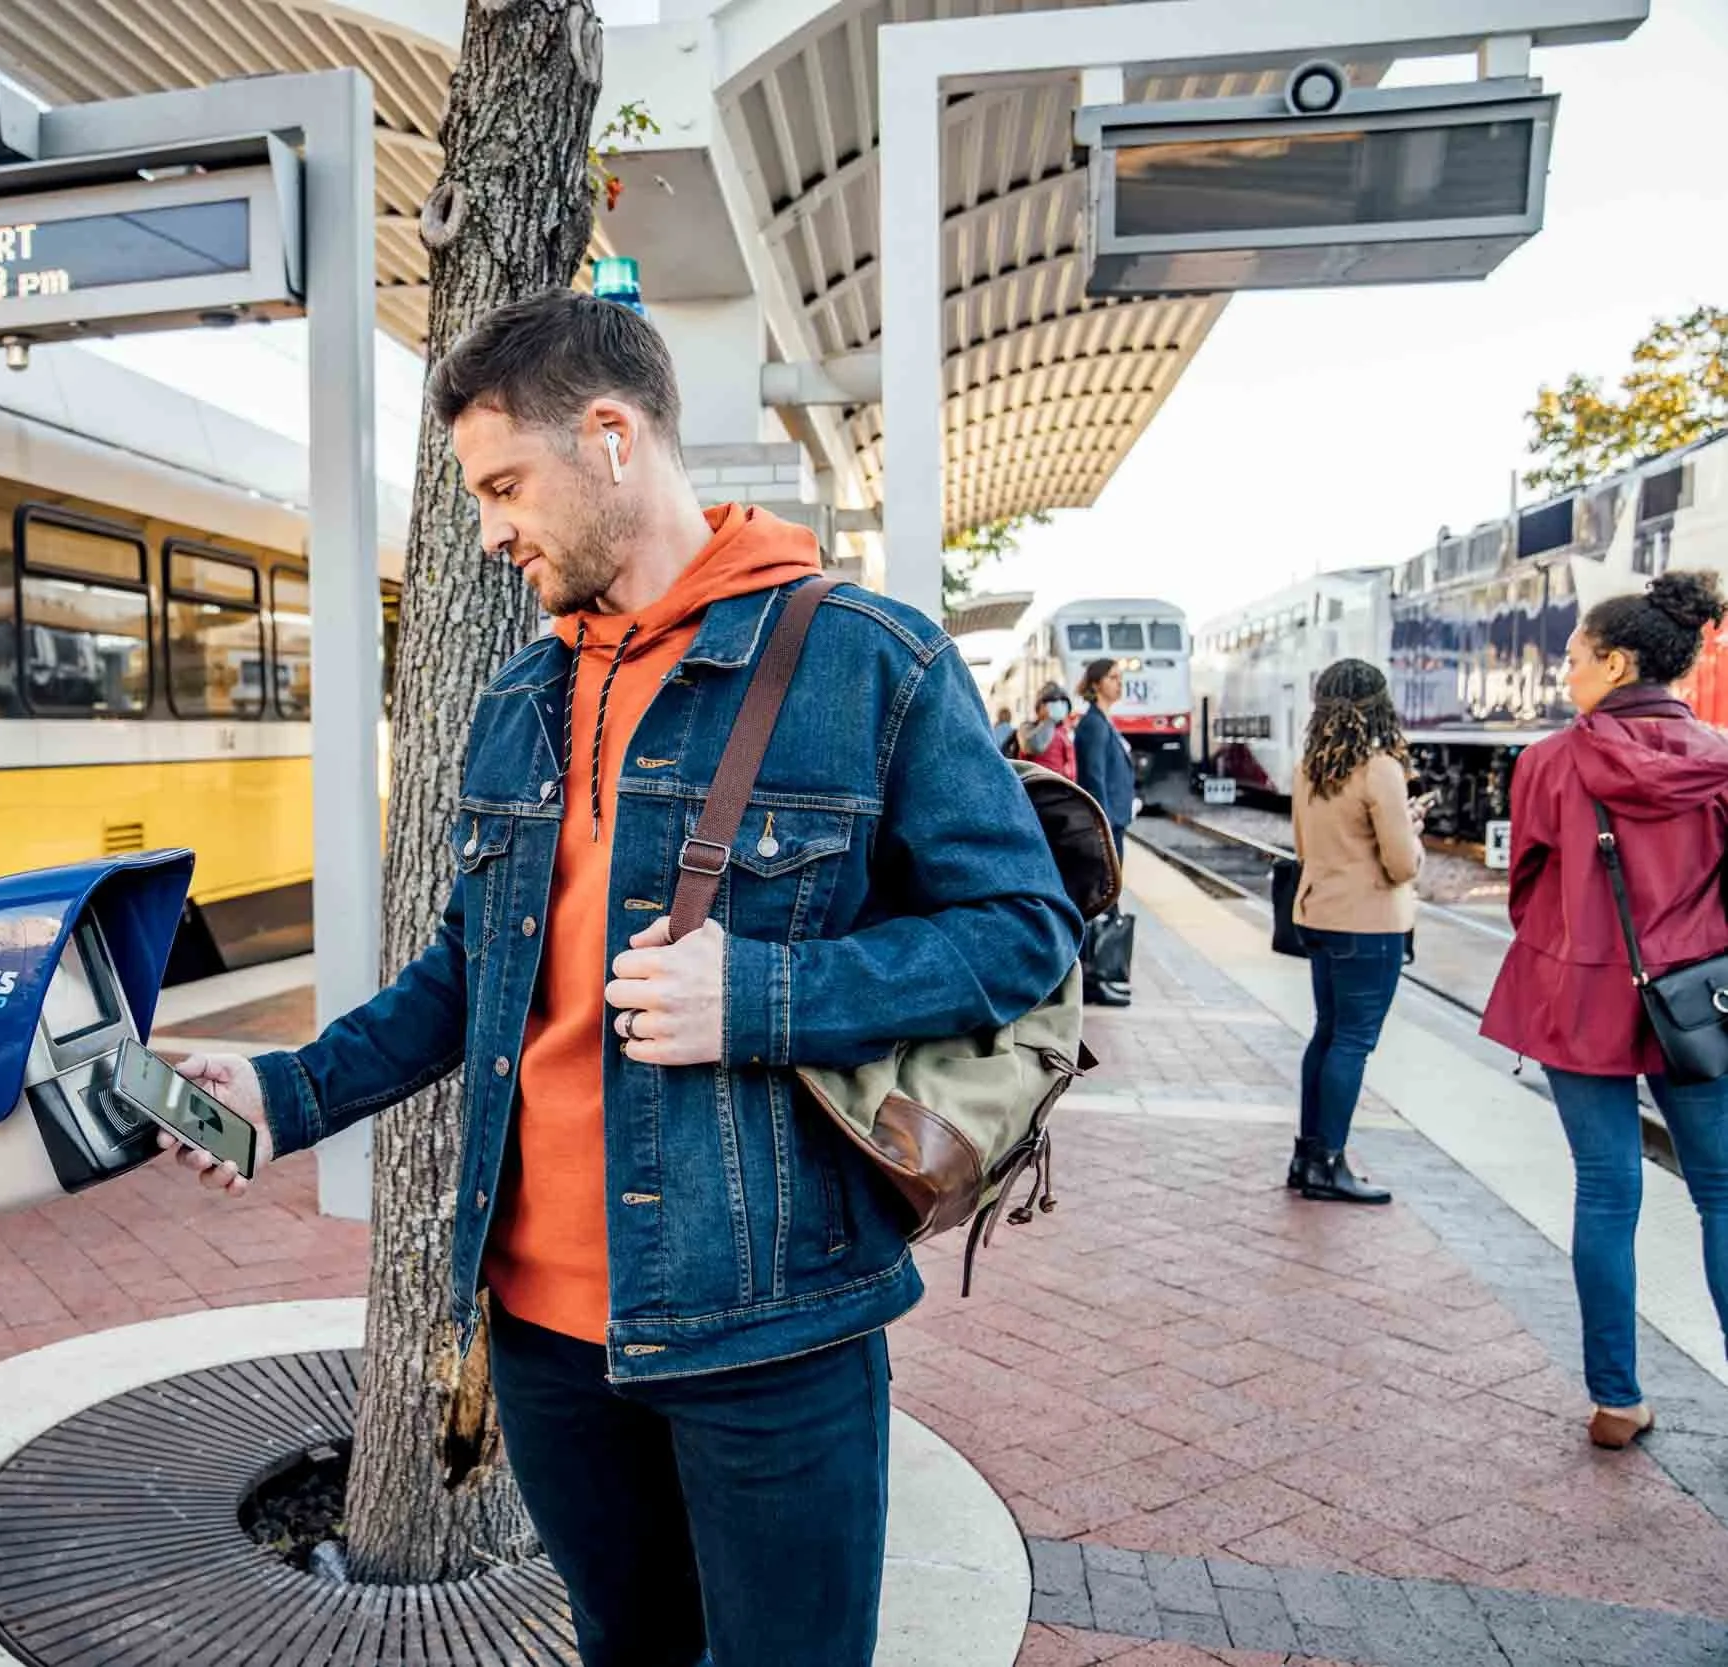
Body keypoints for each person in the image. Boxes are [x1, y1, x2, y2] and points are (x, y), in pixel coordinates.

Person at [162, 292, 1082, 1667]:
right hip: (541, 1334)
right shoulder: (520, 697)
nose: (488, 529)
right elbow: (474, 974)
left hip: (770, 1324)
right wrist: (283, 1089)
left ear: (609, 436)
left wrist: (762, 994)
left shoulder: (870, 662)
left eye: (503, 485)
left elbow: (1023, 929)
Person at [1483, 572, 1728, 1451]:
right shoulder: (1719, 760)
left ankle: (1616, 1399)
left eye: (1575, 657)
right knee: (1723, 1196)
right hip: (1698, 1006)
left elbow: (1526, 893)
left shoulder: (1547, 764)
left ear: (1617, 661)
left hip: (1579, 999)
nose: (1565, 672)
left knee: (1607, 1191)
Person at [1286, 660, 1423, 1206]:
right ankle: (1331, 1163)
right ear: (1377, 705)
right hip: (1369, 926)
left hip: (1319, 916)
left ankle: (1306, 1156)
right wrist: (1411, 834)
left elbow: (1302, 847)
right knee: (1353, 1042)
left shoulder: (1309, 769)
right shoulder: (1379, 770)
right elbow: (1401, 866)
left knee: (1326, 1034)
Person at [1073, 657, 1135, 859]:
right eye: (1112, 677)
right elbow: (1094, 776)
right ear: (1096, 684)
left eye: (1120, 678)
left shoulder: (1103, 721)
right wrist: (1103, 823)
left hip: (1114, 821)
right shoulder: (1094, 724)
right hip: (1107, 824)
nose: (1119, 683)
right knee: (1107, 886)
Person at [1015, 683, 1078, 780]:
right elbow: (1035, 745)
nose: (1059, 706)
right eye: (1054, 703)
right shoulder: (1027, 728)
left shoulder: (1066, 731)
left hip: (1062, 789)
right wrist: (1049, 720)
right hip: (1036, 787)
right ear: (1040, 707)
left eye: (1062, 703)